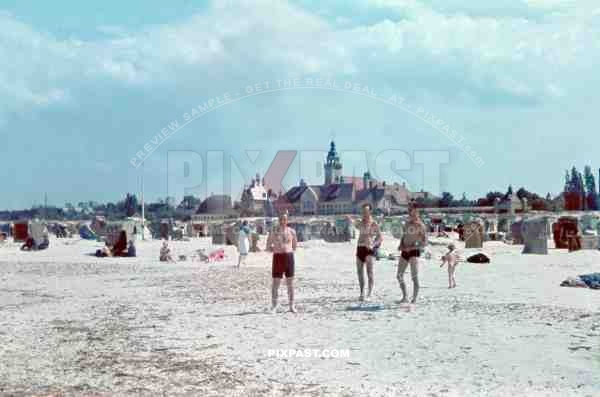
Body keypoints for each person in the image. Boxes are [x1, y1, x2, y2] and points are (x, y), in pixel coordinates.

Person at [266, 211, 298, 313]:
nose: (282, 221)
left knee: (290, 283)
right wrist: (275, 249)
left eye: (284, 219)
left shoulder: (292, 231)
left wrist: (287, 249)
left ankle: (291, 306)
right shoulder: (274, 231)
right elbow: (268, 245)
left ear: (287, 220)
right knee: (276, 283)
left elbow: (294, 246)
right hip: (278, 257)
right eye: (280, 219)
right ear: (278, 220)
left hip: (289, 257)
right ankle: (274, 306)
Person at [397, 205, 428, 304]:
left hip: (414, 251)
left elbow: (425, 242)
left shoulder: (421, 225)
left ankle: (414, 298)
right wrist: (401, 245)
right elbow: (404, 236)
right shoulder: (406, 224)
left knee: (414, 277)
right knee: (399, 275)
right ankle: (405, 296)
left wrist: (414, 246)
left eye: (415, 212)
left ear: (418, 213)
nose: (413, 214)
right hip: (404, 251)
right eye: (411, 213)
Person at [355, 204, 383, 302]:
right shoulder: (360, 223)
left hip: (369, 249)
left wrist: (373, 244)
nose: (364, 213)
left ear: (370, 211)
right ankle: (362, 292)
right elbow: (354, 225)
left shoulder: (374, 223)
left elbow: (380, 238)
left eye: (366, 211)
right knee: (359, 272)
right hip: (359, 248)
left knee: (369, 272)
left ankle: (369, 293)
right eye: (363, 211)